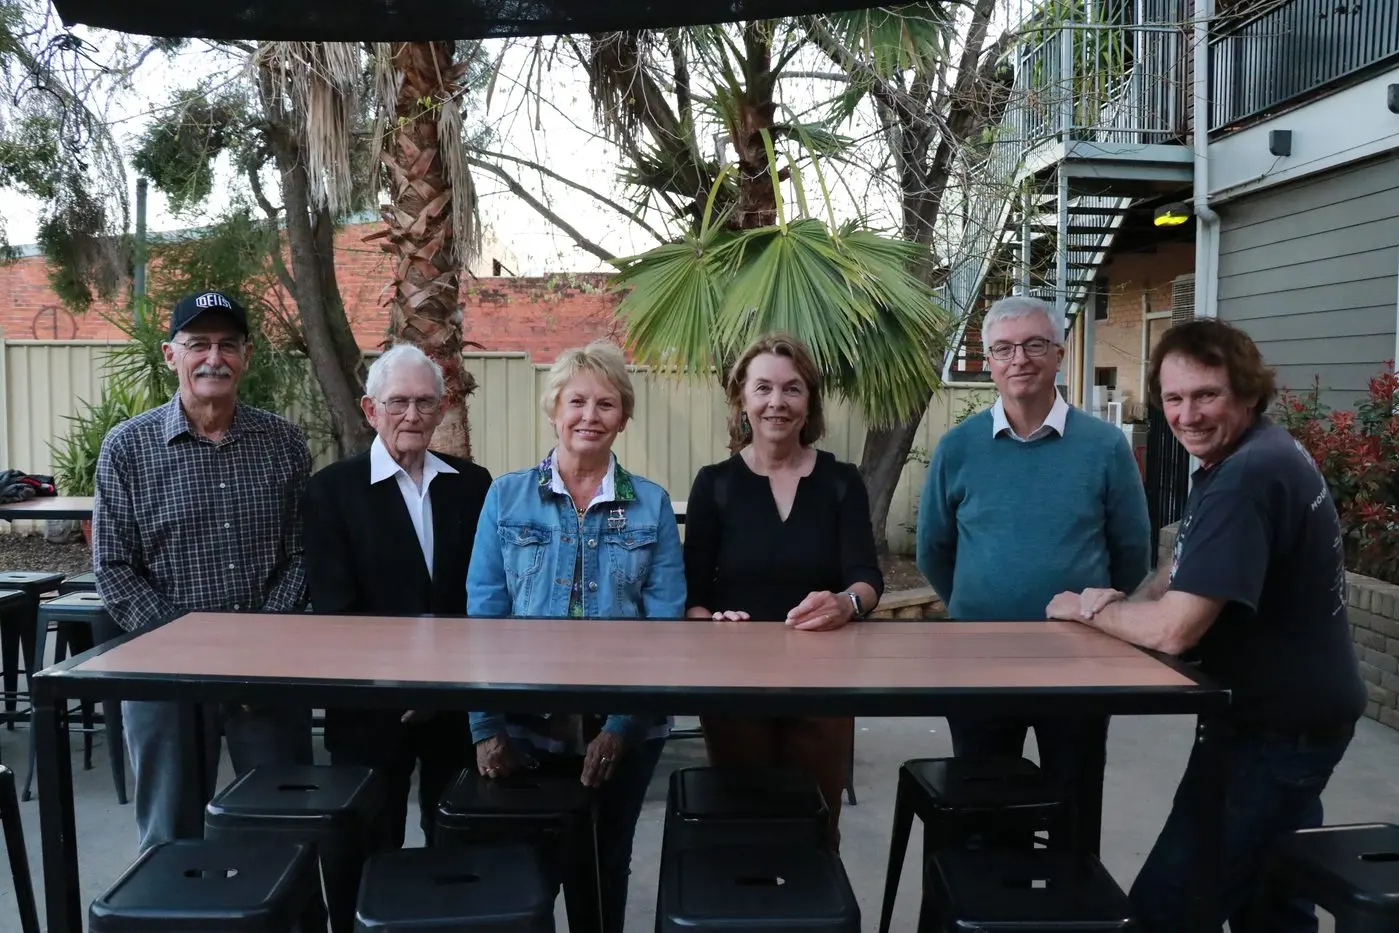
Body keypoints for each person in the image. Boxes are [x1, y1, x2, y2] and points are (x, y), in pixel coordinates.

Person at [1047, 318, 1366, 933]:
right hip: (1295, 718)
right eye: (1173, 398)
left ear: (1247, 394)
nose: (1186, 414)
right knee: (1270, 899)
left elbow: (1175, 630)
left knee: (1170, 906)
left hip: (1274, 732)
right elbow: (1182, 565)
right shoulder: (1247, 455)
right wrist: (1124, 602)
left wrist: (1088, 610)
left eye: (1206, 395)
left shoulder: (1245, 478)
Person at [465, 339, 685, 933]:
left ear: (624, 416)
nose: (590, 416)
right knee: (529, 870)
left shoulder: (651, 506)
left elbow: (665, 628)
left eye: (606, 404)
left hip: (627, 727)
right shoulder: (506, 497)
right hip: (526, 727)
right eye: (577, 401)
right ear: (553, 408)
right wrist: (486, 727)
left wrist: (619, 727)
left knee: (604, 863)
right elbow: (482, 619)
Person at [917, 295, 1152, 844]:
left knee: (1073, 804)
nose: (1018, 359)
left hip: (1078, 662)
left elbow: (1132, 552)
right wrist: (979, 608)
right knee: (988, 806)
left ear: (1060, 355)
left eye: (1033, 345)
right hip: (980, 660)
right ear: (988, 360)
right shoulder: (958, 448)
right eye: (1003, 349)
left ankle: (1069, 906)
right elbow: (933, 548)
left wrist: (1097, 610)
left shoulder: (1104, 446)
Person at [93, 290, 314, 853]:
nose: (213, 358)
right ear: (171, 354)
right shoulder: (128, 447)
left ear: (247, 355)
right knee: (170, 839)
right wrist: (190, 650)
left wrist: (252, 646)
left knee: (279, 832)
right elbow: (115, 568)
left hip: (266, 672)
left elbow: (302, 554)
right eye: (198, 344)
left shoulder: (283, 443)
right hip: (163, 676)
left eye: (227, 345)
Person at [683, 333, 883, 849]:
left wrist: (847, 603)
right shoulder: (715, 485)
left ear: (809, 400)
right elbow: (693, 591)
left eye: (792, 389)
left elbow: (867, 577)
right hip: (734, 683)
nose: (778, 402)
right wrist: (708, 624)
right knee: (742, 824)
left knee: (814, 829)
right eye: (764, 388)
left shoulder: (841, 482)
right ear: (742, 399)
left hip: (823, 683)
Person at [304, 343, 493, 851]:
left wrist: (440, 689)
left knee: (458, 843)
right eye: (398, 402)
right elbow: (337, 610)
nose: (412, 414)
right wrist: (405, 688)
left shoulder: (474, 486)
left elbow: (482, 601)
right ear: (371, 410)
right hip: (370, 706)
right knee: (368, 845)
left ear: (441, 409)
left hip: (455, 705)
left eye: (426, 402)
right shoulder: (330, 492)